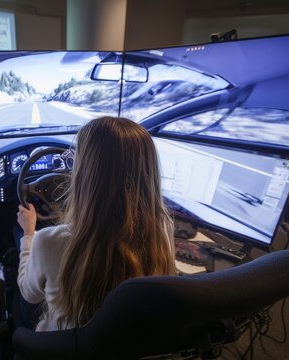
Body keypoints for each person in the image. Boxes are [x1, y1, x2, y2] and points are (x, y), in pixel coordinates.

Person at [16, 116, 176, 331]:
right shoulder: (161, 234)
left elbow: (29, 294)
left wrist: (28, 235)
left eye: (74, 160)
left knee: (19, 305)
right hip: (123, 344)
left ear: (85, 175)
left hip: (60, 345)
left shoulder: (48, 241)